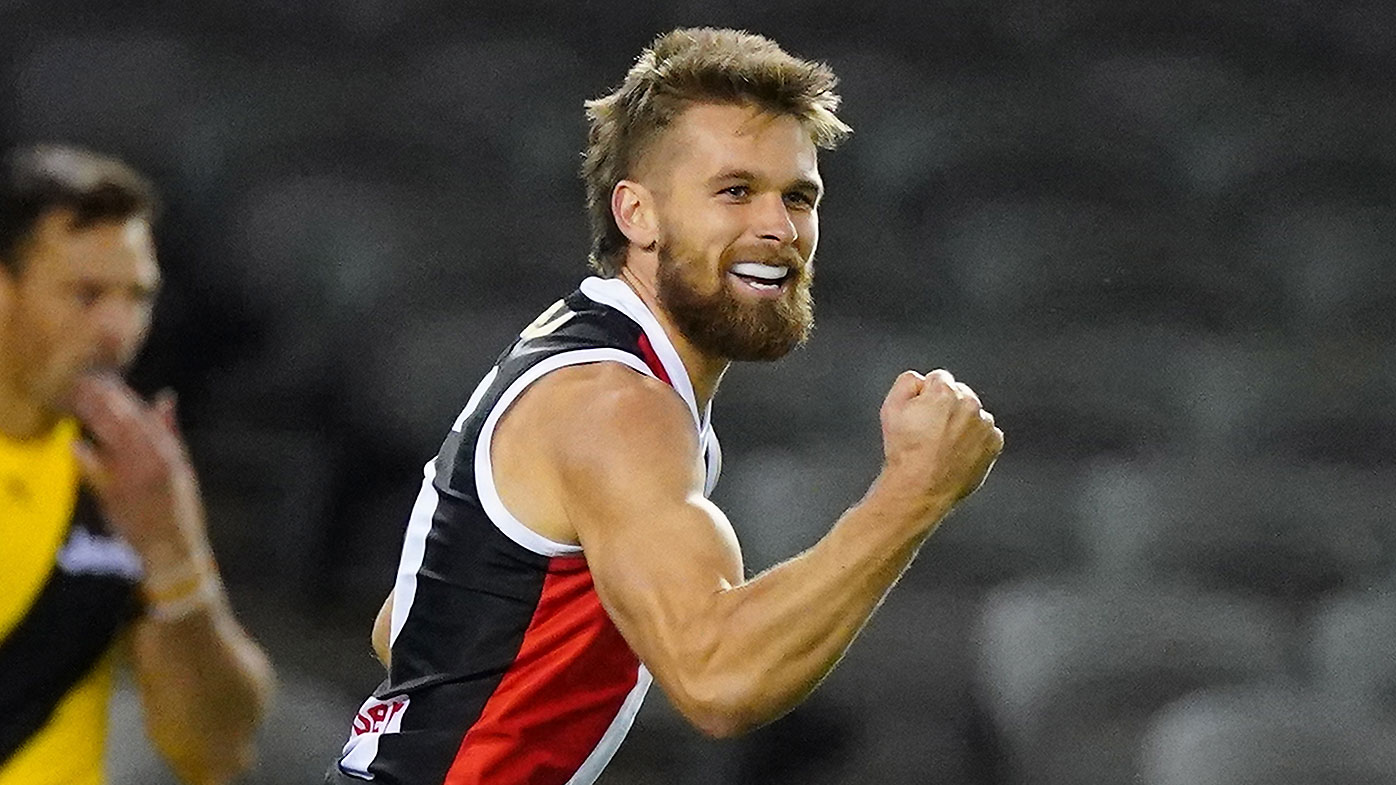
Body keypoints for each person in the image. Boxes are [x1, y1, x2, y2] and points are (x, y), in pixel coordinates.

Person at [330, 27, 1003, 785]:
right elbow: (719, 681)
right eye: (735, 191)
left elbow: (403, 623)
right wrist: (913, 492)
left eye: (798, 197)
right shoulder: (617, 405)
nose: (779, 228)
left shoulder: (582, 352)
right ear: (637, 214)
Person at [0, 144, 274, 785]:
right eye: (87, 295)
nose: (118, 329)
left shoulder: (126, 476)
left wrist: (173, 553)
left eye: (139, 296)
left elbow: (216, 751)